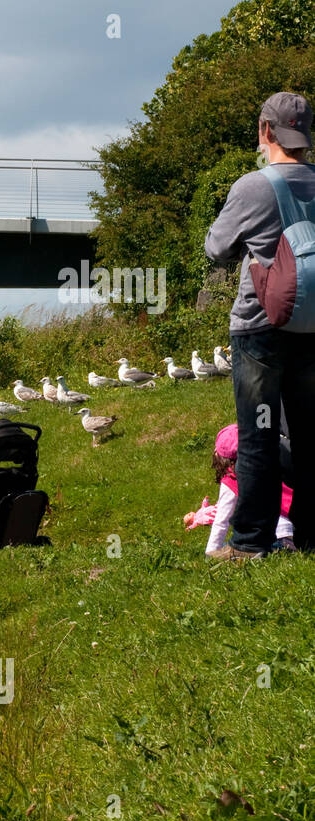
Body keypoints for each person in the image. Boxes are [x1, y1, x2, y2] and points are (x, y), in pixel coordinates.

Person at [205, 91, 315, 558]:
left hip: (259, 327)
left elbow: (217, 248)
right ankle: (308, 537)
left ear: (265, 131)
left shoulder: (253, 187)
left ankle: (250, 543)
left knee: (258, 436)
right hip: (311, 328)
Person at [185, 424, 295, 556]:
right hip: (300, 524)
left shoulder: (232, 478)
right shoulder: (267, 462)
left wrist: (211, 552)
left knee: (231, 547)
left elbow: (222, 521)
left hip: (278, 534)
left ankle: (280, 546)